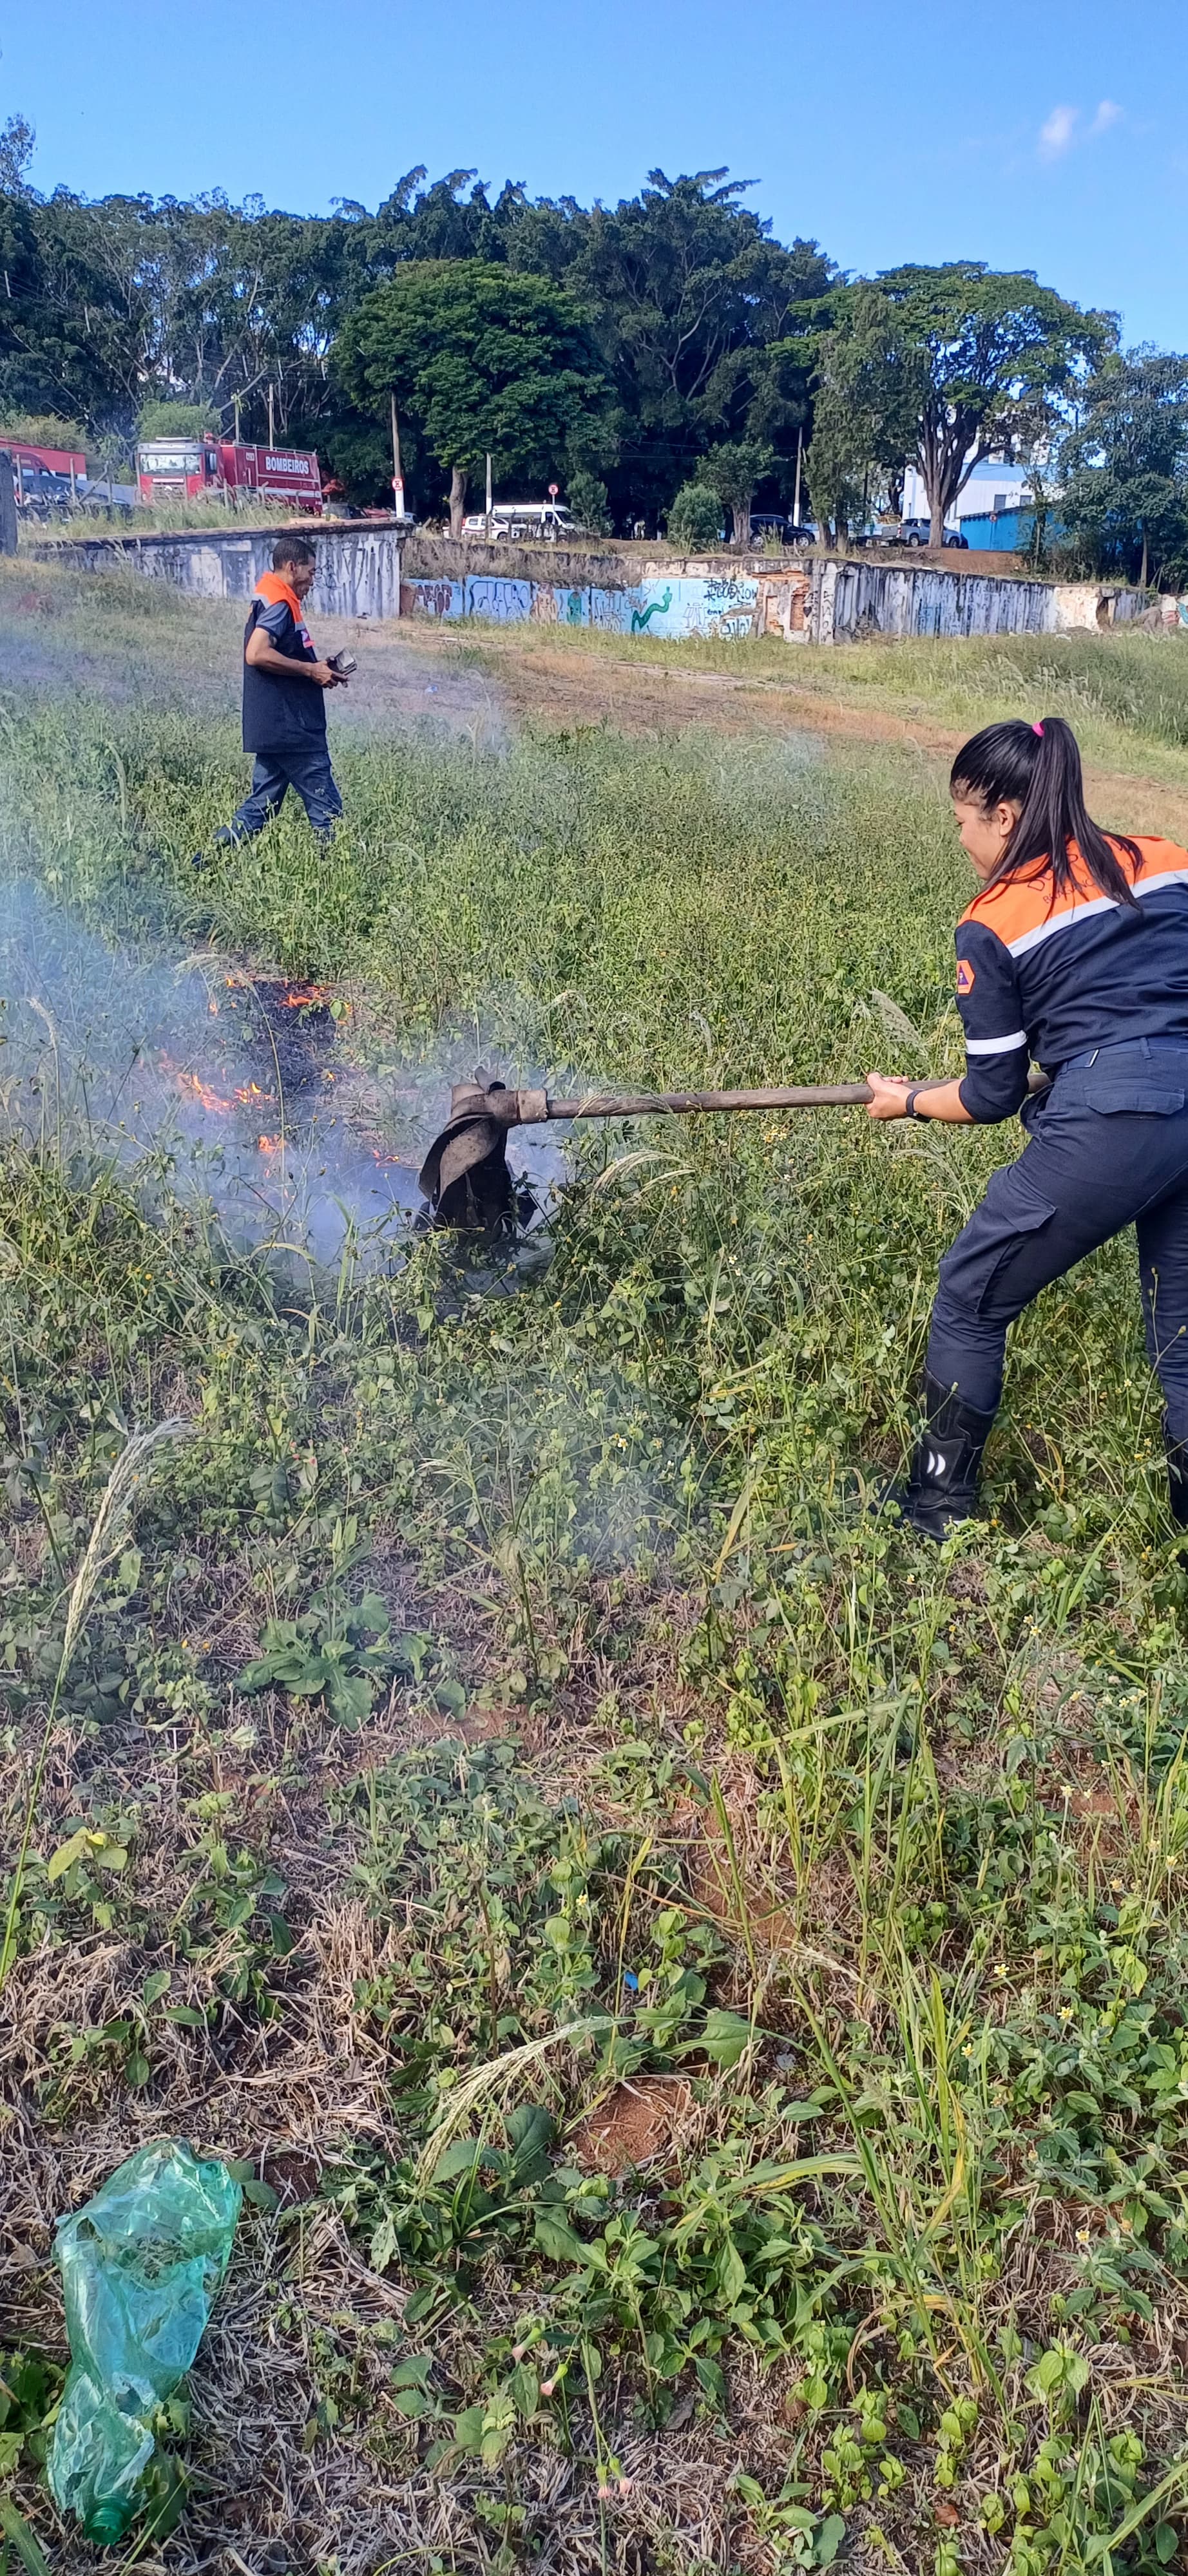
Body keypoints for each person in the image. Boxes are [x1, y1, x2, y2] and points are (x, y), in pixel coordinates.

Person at [865, 714, 1188, 1537]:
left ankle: (934, 1514)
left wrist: (903, 1100)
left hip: (1112, 1120)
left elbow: (990, 1093)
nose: (962, 841)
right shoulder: (1164, 859)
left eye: (961, 823)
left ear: (1001, 817)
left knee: (969, 1299)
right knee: (1181, 1339)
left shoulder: (993, 919)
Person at [201, 533, 347, 861]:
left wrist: (318, 667)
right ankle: (337, 880)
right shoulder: (280, 604)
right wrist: (311, 672)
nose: (313, 580)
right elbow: (257, 654)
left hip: (275, 729)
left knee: (260, 808)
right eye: (311, 572)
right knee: (329, 814)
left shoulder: (271, 599)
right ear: (293, 567)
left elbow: (282, 655)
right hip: (293, 730)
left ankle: (206, 860)